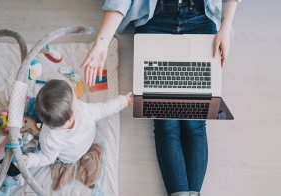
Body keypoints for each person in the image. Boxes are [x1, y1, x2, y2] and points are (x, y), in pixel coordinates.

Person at [80, 0, 239, 195]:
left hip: (200, 18)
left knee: (194, 122)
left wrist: (226, 26)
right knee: (166, 123)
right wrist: (101, 44)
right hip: (155, 21)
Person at [21, 79, 133, 168]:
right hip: (78, 149)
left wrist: (30, 160)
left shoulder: (49, 139)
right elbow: (105, 108)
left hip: (67, 155)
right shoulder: (85, 112)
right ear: (70, 118)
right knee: (47, 109)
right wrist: (123, 101)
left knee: (39, 109)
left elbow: (46, 157)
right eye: (75, 99)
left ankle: (28, 105)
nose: (78, 100)